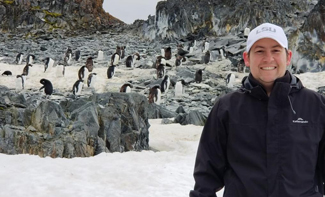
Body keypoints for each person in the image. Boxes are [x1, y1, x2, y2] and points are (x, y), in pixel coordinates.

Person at [189, 22, 325, 197]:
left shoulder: (316, 106)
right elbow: (205, 180)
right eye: (260, 51)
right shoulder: (227, 108)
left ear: (288, 56)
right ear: (247, 58)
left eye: (276, 50)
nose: (268, 58)